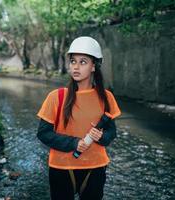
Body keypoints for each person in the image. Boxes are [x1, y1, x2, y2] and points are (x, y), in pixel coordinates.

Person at [37, 36, 121, 200]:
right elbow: (43, 133)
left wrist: (102, 137)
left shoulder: (106, 97)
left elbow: (111, 132)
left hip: (95, 168)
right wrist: (74, 143)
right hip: (61, 168)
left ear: (93, 66)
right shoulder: (56, 97)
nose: (76, 66)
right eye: (73, 61)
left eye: (83, 62)